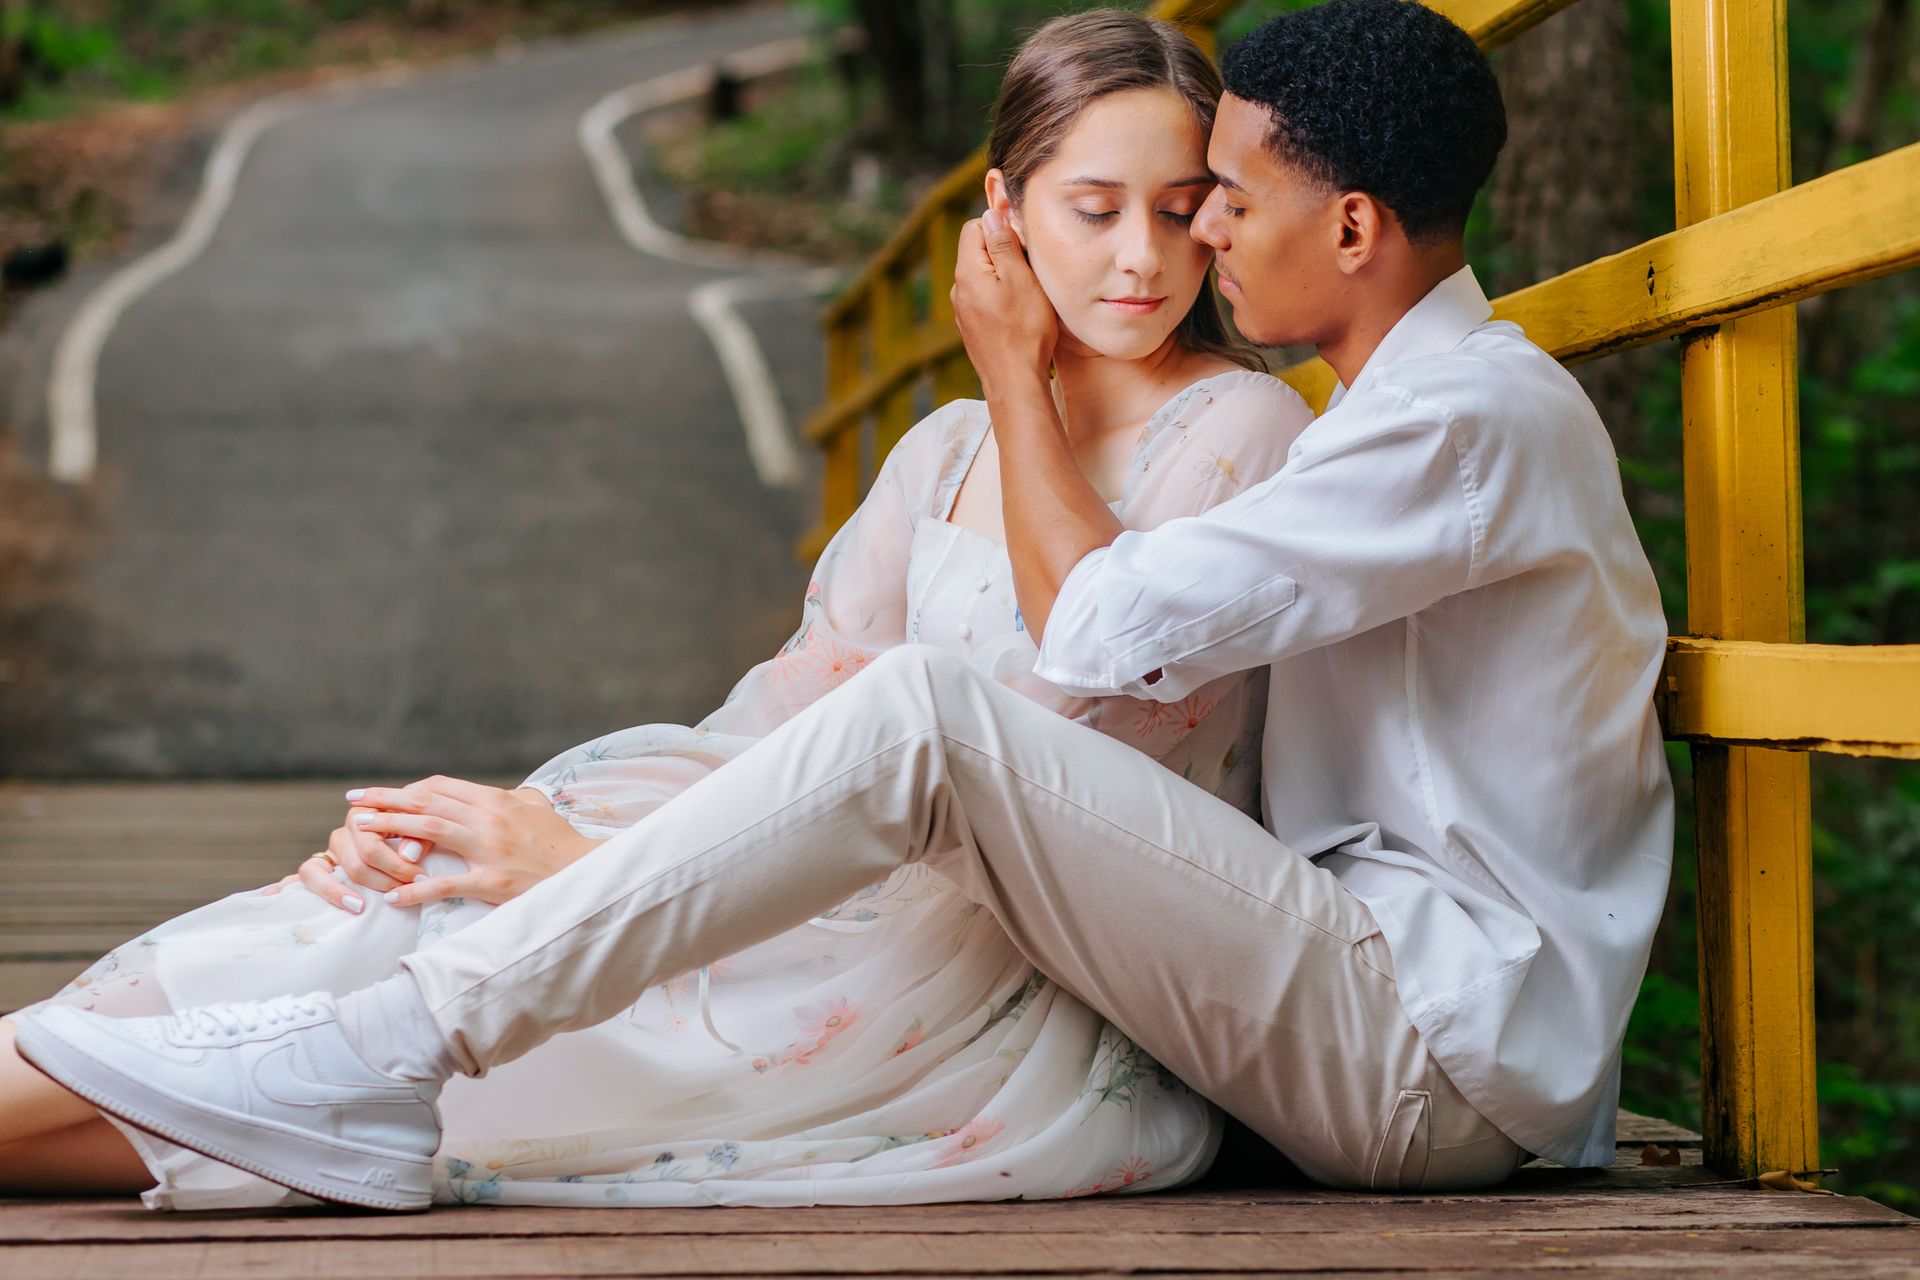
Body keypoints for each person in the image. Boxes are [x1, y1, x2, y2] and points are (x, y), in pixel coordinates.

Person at [16, 0, 1675, 1208]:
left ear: (1354, 223)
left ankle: (389, 1047)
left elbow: (1092, 642)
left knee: (908, 729)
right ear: (1010, 212)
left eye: (1217, 204)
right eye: (1129, 205)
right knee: (346, 932)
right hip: (1329, 986)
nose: (1192, 244)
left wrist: (1010, 374)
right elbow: (798, 703)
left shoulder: (1448, 421)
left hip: (1429, 1045)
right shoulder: (1388, 421)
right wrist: (565, 827)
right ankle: (361, 1046)